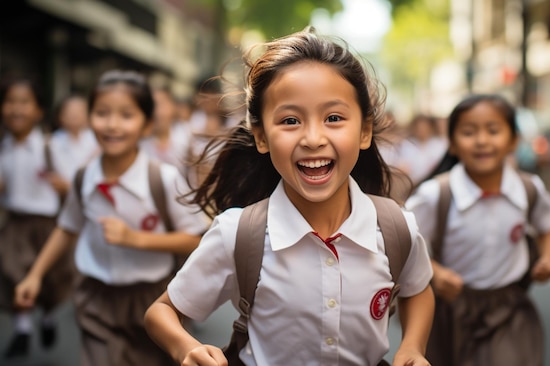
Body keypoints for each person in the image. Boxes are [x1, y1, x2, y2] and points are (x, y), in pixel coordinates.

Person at [144, 27, 435, 366]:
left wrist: (412, 346)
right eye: (291, 120)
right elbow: (162, 311)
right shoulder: (237, 233)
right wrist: (186, 347)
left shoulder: (396, 228)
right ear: (262, 137)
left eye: (334, 118)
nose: (313, 138)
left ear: (365, 131)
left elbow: (418, 289)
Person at [13, 70, 209, 366]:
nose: (112, 124)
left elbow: (195, 238)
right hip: (96, 299)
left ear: (146, 125)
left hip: (155, 300)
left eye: (126, 115)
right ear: (90, 118)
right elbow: (67, 227)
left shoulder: (165, 180)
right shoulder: (83, 178)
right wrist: (35, 275)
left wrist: (136, 239)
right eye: (102, 113)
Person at [404, 94, 550, 366]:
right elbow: (405, 244)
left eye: (493, 130)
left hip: (510, 310)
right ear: (452, 144)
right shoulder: (436, 195)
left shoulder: (528, 189)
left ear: (513, 140)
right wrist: (436, 273)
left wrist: (547, 258)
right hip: (451, 311)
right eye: (469, 132)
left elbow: (548, 224)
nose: (482, 140)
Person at [0, 76, 75, 358]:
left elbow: (73, 184)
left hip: (47, 226)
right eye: (10, 102)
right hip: (15, 224)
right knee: (12, 273)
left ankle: (47, 318)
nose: (16, 109)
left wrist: (63, 184)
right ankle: (22, 329)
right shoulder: (4, 148)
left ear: (39, 110)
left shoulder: (49, 146)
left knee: (51, 281)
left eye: (24, 102)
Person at [48, 94, 100, 197]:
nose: (74, 115)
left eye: (79, 112)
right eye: (70, 112)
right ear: (61, 116)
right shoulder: (52, 142)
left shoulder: (97, 139)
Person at [141, 86, 192, 175]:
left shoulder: (188, 135)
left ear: (173, 106)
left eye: (162, 104)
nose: (157, 111)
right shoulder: (141, 141)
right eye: (153, 105)